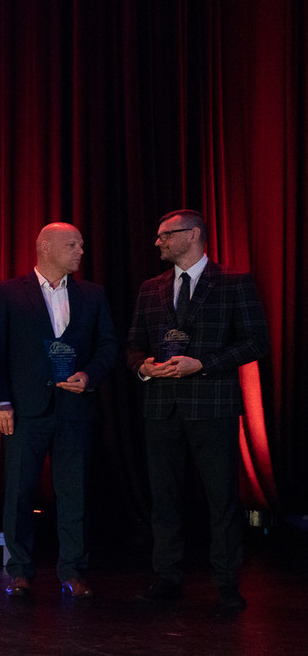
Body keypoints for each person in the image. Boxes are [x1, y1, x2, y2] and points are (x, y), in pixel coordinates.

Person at [126, 209, 269, 615]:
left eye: (165, 235)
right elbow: (133, 344)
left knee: (220, 498)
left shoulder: (233, 282)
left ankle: (226, 583)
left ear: (192, 235)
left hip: (212, 406)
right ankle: (166, 577)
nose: (158, 242)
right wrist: (143, 366)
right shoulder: (151, 288)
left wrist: (203, 364)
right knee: (164, 499)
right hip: (161, 407)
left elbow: (256, 342)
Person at [0, 222, 117, 599]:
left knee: (74, 493)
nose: (80, 251)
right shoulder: (8, 292)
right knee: (19, 493)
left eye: (81, 244)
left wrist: (88, 375)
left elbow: (108, 345)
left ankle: (73, 569)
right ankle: (19, 570)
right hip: (25, 409)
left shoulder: (92, 294)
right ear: (45, 247)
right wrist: (0, 400)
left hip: (74, 408)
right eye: (72, 245)